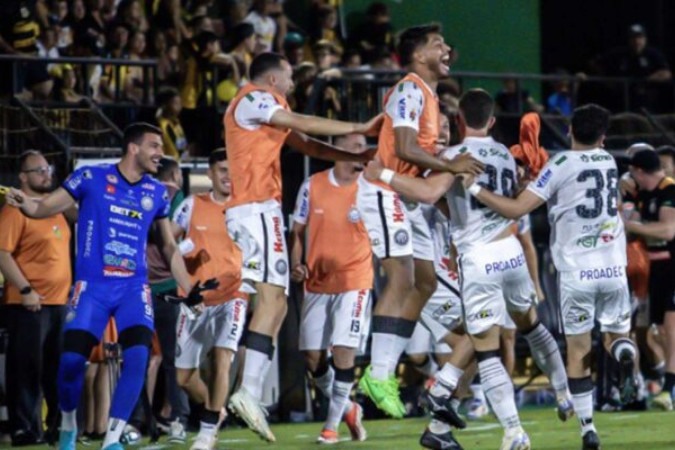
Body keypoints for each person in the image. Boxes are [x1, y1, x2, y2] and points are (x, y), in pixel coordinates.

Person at [365, 89, 572, 450]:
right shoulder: (507, 158)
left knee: (485, 347)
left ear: (459, 120)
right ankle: (563, 392)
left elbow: (429, 194)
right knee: (529, 324)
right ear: (492, 121)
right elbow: (459, 205)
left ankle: (511, 430)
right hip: (510, 251)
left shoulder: (453, 157)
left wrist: (382, 173)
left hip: (477, 258)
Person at [5, 123, 213, 450]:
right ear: (133, 148)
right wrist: (25, 202)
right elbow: (42, 208)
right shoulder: (91, 179)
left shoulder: (157, 192)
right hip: (92, 290)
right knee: (72, 363)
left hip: (133, 290)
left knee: (139, 357)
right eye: (154, 146)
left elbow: (169, 247)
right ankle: (69, 426)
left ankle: (112, 440)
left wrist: (188, 286)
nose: (161, 153)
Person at [223, 52, 381, 442]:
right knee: (274, 302)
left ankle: (252, 393)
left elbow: (308, 144)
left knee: (273, 302)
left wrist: (354, 154)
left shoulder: (260, 112)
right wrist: (360, 124)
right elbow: (302, 122)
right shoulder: (255, 98)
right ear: (273, 80)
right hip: (257, 209)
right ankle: (248, 392)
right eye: (290, 77)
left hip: (253, 212)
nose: (293, 84)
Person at [461, 103, 639, 450]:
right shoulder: (608, 162)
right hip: (613, 267)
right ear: (603, 137)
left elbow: (516, 209)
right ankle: (623, 353)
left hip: (577, 271)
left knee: (578, 351)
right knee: (616, 336)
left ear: (571, 129)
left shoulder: (560, 163)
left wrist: (474, 189)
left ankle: (588, 428)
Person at [355, 24, 482, 420]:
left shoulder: (427, 97)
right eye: (437, 45)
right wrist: (449, 164)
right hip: (386, 190)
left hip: (407, 195)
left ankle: (382, 374)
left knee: (425, 282)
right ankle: (377, 374)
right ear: (417, 55)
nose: (447, 50)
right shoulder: (410, 89)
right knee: (403, 279)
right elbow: (407, 147)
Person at [289, 137, 371, 444]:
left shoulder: (370, 187)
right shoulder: (312, 185)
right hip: (317, 282)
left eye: (364, 146)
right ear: (337, 151)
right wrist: (297, 263)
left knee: (342, 351)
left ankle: (331, 426)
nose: (362, 151)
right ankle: (349, 408)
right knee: (313, 357)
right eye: (354, 146)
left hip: (355, 279)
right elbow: (296, 231)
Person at [172, 150, 248, 450]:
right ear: (210, 173)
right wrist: (180, 249)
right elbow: (170, 246)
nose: (228, 175)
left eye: (233, 169)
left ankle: (206, 430)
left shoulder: (246, 209)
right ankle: (217, 410)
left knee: (221, 358)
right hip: (195, 300)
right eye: (222, 170)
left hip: (234, 295)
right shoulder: (192, 205)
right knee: (183, 377)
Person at [0, 151, 71, 446]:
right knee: (27, 368)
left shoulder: (55, 208)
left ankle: (54, 427)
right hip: (29, 303)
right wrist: (26, 290)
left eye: (48, 168)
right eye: (38, 170)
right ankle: (25, 429)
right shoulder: (14, 211)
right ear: (23, 177)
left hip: (59, 302)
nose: (46, 174)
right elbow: (2, 253)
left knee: (57, 369)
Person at [624, 149, 675, 411]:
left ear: (640, 171)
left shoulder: (669, 191)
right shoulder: (643, 194)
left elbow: (668, 230)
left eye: (633, 172)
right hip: (653, 267)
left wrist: (635, 227)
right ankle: (662, 381)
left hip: (671, 263)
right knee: (655, 331)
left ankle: (668, 389)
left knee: (669, 326)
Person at [145, 157, 190, 442]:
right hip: (168, 286)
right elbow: (170, 240)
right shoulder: (175, 196)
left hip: (137, 286)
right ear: (175, 173)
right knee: (175, 357)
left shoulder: (139, 192)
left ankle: (136, 420)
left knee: (142, 356)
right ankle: (178, 418)